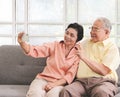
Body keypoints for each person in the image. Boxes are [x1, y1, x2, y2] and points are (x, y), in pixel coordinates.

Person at [17, 23, 84, 97]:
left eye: (72, 35)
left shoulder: (78, 54)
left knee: (53, 95)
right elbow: (36, 50)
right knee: (35, 94)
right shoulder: (55, 45)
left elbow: (69, 76)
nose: (68, 36)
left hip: (59, 84)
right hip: (42, 80)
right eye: (67, 33)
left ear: (77, 39)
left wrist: (54, 84)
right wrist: (22, 43)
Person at [59, 17, 120, 97]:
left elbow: (104, 71)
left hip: (103, 82)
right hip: (81, 82)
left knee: (102, 92)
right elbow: (69, 48)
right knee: (67, 91)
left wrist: (84, 58)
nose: (91, 32)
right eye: (91, 29)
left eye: (95, 29)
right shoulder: (84, 43)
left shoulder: (111, 48)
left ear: (106, 32)